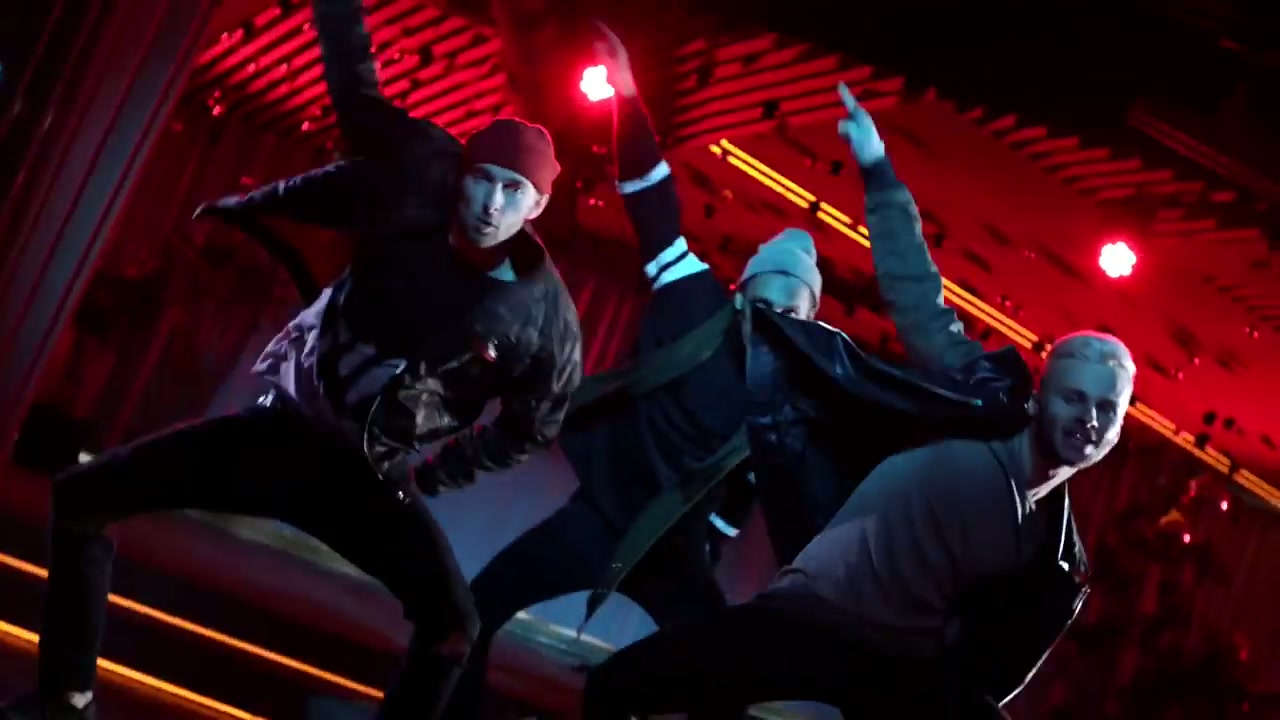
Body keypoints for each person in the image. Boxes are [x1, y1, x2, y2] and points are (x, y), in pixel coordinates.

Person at [0, 1, 582, 719]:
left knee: (453, 627)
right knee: (82, 497)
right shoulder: (419, 178)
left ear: (538, 206)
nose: (491, 203)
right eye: (481, 179)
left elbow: (535, 421)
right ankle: (66, 698)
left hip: (365, 480)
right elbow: (357, 93)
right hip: (277, 436)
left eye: (513, 191)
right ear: (460, 174)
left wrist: (441, 469)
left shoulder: (541, 314)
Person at [441, 28, 1037, 718]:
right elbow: (651, 201)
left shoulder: (800, 386)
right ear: (742, 292)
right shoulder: (695, 300)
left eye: (792, 308)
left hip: (675, 552)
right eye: (766, 299)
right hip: (601, 516)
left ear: (809, 317)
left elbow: (761, 481)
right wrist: (627, 97)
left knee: (715, 682)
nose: (775, 316)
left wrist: (721, 539)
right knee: (475, 611)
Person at [582, 331, 1132, 718]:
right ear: (1039, 400)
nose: (1089, 419)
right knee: (617, 686)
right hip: (808, 620)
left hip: (901, 672)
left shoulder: (1059, 559)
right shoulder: (962, 419)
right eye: (1074, 398)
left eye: (1107, 409)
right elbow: (921, 307)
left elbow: (983, 673)